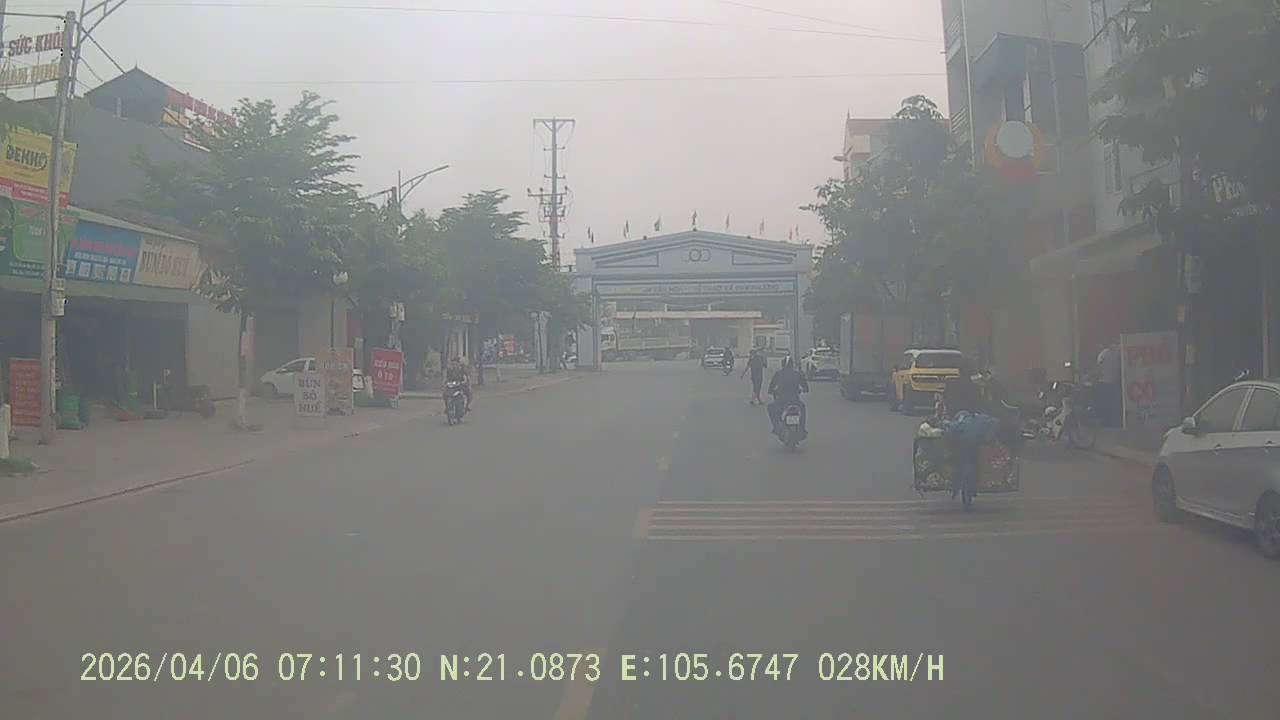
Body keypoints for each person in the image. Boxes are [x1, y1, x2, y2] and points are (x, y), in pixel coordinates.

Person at [943, 361, 983, 499]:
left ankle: (955, 484)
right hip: (971, 424)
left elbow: (946, 402)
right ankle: (973, 485)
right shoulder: (975, 388)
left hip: (955, 423)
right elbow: (981, 406)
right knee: (975, 455)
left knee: (954, 454)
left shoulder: (951, 385)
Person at [767, 355, 809, 435]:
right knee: (803, 409)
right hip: (795, 401)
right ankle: (802, 428)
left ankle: (776, 427)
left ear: (782, 364)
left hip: (781, 402)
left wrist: (771, 391)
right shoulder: (797, 374)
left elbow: (771, 386)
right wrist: (803, 390)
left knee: (770, 407)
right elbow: (805, 387)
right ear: (792, 365)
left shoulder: (778, 374)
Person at [1096, 342, 1121, 426]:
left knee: (1105, 403)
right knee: (1113, 403)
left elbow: (1098, 368)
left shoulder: (1102, 354)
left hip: (1103, 382)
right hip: (1114, 382)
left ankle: (1106, 421)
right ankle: (1114, 421)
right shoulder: (1118, 352)